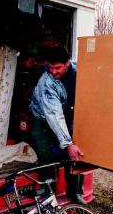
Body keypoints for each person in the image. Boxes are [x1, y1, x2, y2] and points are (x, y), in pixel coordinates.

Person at [29, 45, 86, 205]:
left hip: (66, 116)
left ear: (68, 63)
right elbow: (54, 115)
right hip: (42, 120)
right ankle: (48, 195)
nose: (53, 72)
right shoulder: (47, 83)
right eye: (50, 67)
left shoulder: (78, 71)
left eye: (57, 68)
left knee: (75, 154)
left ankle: (74, 192)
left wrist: (70, 145)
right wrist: (67, 143)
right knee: (45, 153)